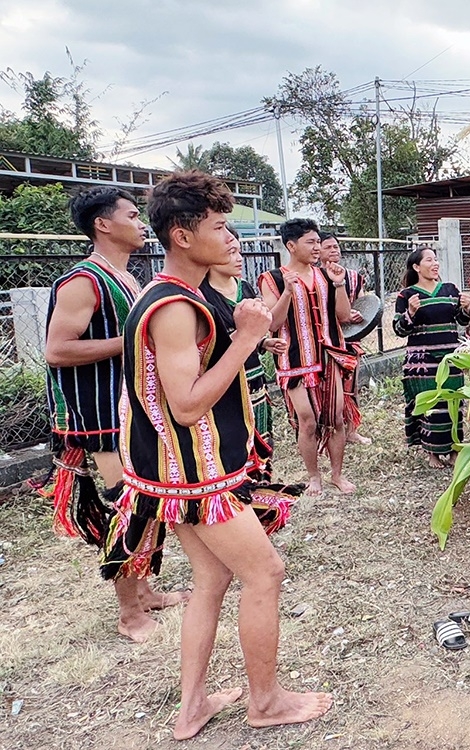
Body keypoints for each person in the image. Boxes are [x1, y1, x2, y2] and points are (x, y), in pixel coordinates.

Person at [98, 170, 328, 740]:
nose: (231, 237)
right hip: (197, 475)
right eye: (220, 227)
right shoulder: (175, 305)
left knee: (212, 579)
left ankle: (193, 706)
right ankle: (265, 702)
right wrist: (246, 340)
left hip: (171, 473)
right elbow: (185, 405)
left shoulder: (175, 293)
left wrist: (248, 338)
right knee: (265, 572)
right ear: (182, 236)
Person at [42, 185, 184, 641]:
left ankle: (145, 593)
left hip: (130, 411)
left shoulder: (126, 277)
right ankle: (129, 614)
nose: (141, 224)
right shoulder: (83, 281)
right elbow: (57, 350)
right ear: (103, 224)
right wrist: (133, 342)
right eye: (131, 215)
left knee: (148, 502)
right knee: (128, 506)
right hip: (101, 416)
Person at [258, 218, 356, 495]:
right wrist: (288, 292)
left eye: (318, 242)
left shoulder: (326, 275)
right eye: (310, 242)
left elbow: (344, 316)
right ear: (291, 246)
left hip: (329, 355)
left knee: (336, 418)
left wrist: (339, 284)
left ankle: (337, 474)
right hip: (294, 360)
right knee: (308, 420)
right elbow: (273, 323)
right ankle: (314, 476)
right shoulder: (273, 279)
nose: (317, 247)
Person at [200, 228, 286, 480]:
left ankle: (261, 485)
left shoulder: (244, 288)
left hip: (254, 380)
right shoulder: (201, 295)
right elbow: (210, 346)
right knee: (232, 446)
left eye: (239, 252)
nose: (239, 259)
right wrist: (246, 334)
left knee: (261, 440)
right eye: (231, 253)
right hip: (225, 383)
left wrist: (263, 343)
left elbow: (252, 334)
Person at [392, 247, 470, 468]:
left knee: (453, 402)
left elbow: (462, 321)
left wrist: (466, 309)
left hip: (451, 357)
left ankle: (454, 448)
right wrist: (410, 313)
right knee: (430, 405)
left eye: (436, 259)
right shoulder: (407, 296)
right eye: (429, 260)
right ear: (416, 267)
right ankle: (432, 452)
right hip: (422, 362)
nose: (435, 263)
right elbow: (399, 330)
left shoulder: (450, 290)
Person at [317, 232, 371, 445]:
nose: (334, 250)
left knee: (351, 386)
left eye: (336, 246)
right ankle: (326, 429)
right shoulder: (313, 276)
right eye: (328, 247)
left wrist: (357, 314)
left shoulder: (353, 277)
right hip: (322, 341)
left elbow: (362, 305)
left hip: (348, 339)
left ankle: (351, 430)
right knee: (324, 387)